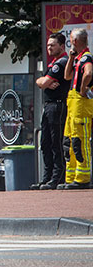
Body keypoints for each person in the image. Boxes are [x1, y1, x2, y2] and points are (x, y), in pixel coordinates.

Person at [33, 33, 69, 189]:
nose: (49, 48)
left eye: (52, 45)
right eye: (48, 45)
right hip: (48, 105)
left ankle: (57, 177)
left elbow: (45, 81)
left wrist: (44, 82)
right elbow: (41, 81)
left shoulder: (61, 63)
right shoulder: (52, 63)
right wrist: (43, 82)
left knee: (56, 142)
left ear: (62, 46)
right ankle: (47, 177)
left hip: (57, 105)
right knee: (45, 142)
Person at [60, 28, 93, 189]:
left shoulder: (87, 58)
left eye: (71, 39)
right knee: (69, 142)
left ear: (74, 41)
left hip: (81, 105)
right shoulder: (78, 58)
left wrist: (83, 88)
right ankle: (71, 176)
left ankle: (83, 178)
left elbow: (89, 72)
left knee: (80, 141)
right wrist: (70, 58)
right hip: (72, 106)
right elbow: (67, 76)